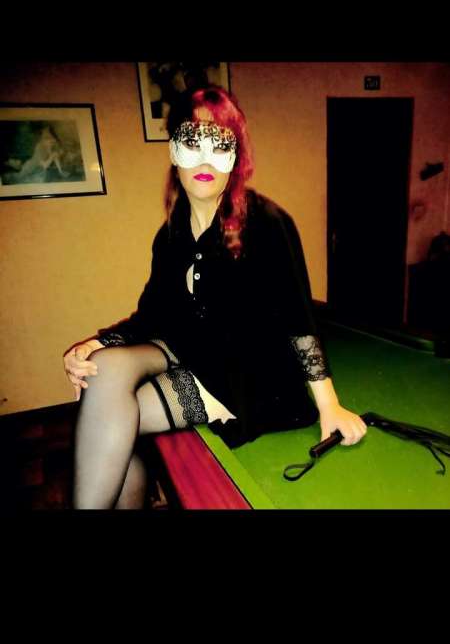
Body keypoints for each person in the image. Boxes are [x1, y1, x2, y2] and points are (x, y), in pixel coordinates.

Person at [64, 85, 367, 509]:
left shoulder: (266, 222)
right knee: (103, 374)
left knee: (110, 421)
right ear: (173, 152)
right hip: (189, 353)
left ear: (235, 158)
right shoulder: (170, 235)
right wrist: (95, 343)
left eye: (220, 144)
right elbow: (152, 314)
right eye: (192, 143)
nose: (205, 160)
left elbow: (300, 318)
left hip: (246, 379)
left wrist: (329, 405)